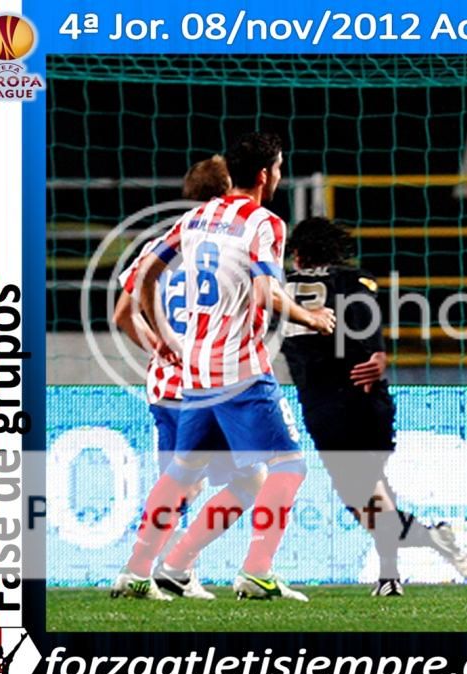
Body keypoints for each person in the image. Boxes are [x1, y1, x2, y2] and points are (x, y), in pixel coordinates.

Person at [112, 132, 335, 602]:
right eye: (277, 169)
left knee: (184, 475)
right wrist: (311, 317)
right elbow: (263, 293)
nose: (278, 176)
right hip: (239, 367)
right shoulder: (265, 224)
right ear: (263, 175)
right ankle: (256, 571)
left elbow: (145, 274)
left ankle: (142, 571)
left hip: (191, 374)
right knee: (288, 467)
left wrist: (164, 337)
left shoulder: (195, 218)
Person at [281, 217, 467, 596]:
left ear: (298, 254)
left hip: (329, 405)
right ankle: (433, 539)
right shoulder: (356, 281)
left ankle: (390, 575)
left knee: (368, 495)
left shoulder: (280, 289)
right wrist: (379, 355)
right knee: (367, 501)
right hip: (367, 398)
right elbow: (371, 339)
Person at [110, 156, 269, 601]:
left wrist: (161, 345)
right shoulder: (239, 241)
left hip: (166, 385)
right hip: (215, 380)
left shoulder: (158, 246)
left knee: (185, 483)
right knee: (251, 479)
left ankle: (167, 569)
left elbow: (124, 315)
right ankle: (159, 567)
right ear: (231, 191)